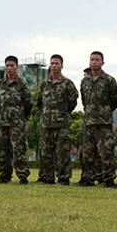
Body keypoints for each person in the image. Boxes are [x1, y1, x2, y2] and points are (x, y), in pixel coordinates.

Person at [36, 54, 79, 185]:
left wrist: (61, 113)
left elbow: (72, 103)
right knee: (46, 152)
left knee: (63, 152)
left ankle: (63, 177)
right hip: (46, 124)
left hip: (61, 124)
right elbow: (39, 102)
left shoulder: (67, 83)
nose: (54, 66)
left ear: (62, 66)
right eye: (52, 63)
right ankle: (47, 177)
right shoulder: (44, 84)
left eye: (57, 64)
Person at [79, 53, 117, 187]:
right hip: (88, 122)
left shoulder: (109, 80)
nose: (94, 62)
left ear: (102, 63)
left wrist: (104, 111)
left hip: (103, 122)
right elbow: (84, 101)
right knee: (87, 152)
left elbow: (115, 100)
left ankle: (108, 179)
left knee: (106, 152)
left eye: (97, 60)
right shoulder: (85, 81)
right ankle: (87, 178)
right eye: (92, 59)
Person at [0, 56, 33, 184]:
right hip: (3, 122)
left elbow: (28, 103)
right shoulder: (0, 84)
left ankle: (22, 176)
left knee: (19, 150)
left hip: (17, 123)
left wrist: (22, 117)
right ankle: (4, 176)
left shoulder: (22, 84)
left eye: (12, 65)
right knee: (3, 151)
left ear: (17, 67)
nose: (9, 68)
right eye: (7, 65)